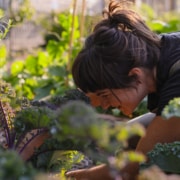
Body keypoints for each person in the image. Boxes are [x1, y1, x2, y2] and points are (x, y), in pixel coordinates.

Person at [66, 0, 180, 179]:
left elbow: (135, 165)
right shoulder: (157, 53)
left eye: (103, 95)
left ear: (135, 75)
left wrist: (76, 176)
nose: (102, 106)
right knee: (126, 135)